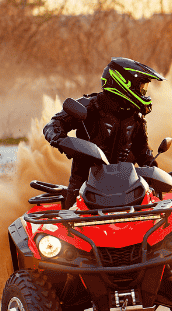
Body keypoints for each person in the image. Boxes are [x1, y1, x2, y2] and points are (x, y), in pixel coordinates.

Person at [42, 57, 165, 208]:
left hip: (129, 189)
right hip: (83, 187)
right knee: (66, 225)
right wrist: (62, 140)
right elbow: (52, 125)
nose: (144, 92)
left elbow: (141, 150)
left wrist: (154, 171)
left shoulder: (136, 116)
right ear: (123, 83)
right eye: (141, 87)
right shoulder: (90, 106)